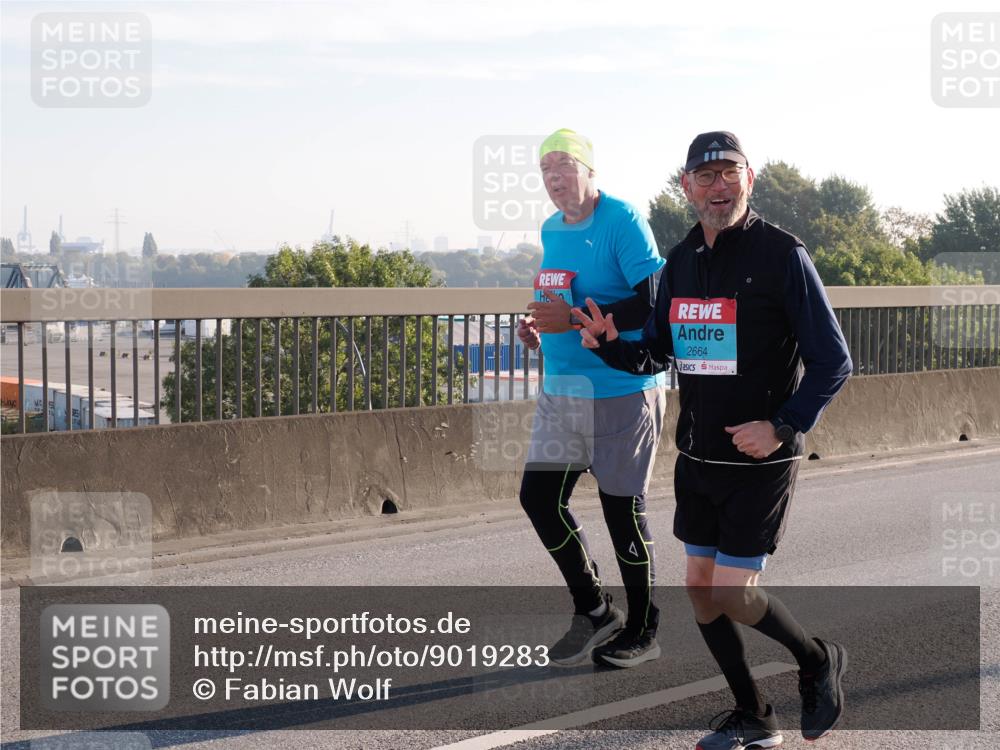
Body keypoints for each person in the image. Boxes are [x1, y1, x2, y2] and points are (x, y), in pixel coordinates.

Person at [573, 131, 852, 747]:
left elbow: (834, 360)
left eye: (729, 173)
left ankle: (815, 660)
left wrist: (781, 426)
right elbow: (659, 351)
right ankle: (755, 715)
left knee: (733, 591)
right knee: (701, 590)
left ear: (749, 179)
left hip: (761, 457)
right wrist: (610, 344)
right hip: (698, 455)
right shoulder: (681, 262)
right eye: (705, 177)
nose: (717, 186)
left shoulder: (783, 255)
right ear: (687, 188)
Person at [517, 128, 667, 668]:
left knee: (621, 511)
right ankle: (596, 609)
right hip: (562, 387)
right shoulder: (551, 228)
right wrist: (535, 325)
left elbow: (653, 299)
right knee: (539, 499)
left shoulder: (621, 219)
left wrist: (576, 319)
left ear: (588, 170)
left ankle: (645, 630)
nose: (555, 178)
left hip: (620, 389)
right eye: (545, 170)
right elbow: (552, 293)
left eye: (563, 165)